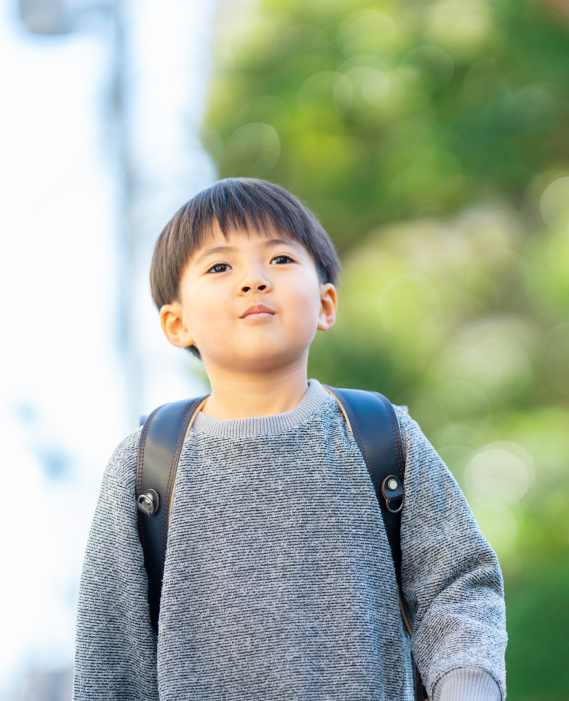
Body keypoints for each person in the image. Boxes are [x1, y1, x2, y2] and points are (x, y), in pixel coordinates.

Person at [73, 178, 507, 701]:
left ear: (326, 304)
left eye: (280, 260)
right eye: (219, 267)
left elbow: (457, 583)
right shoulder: (147, 467)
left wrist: (467, 685)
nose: (254, 280)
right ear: (176, 323)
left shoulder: (380, 435)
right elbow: (112, 649)